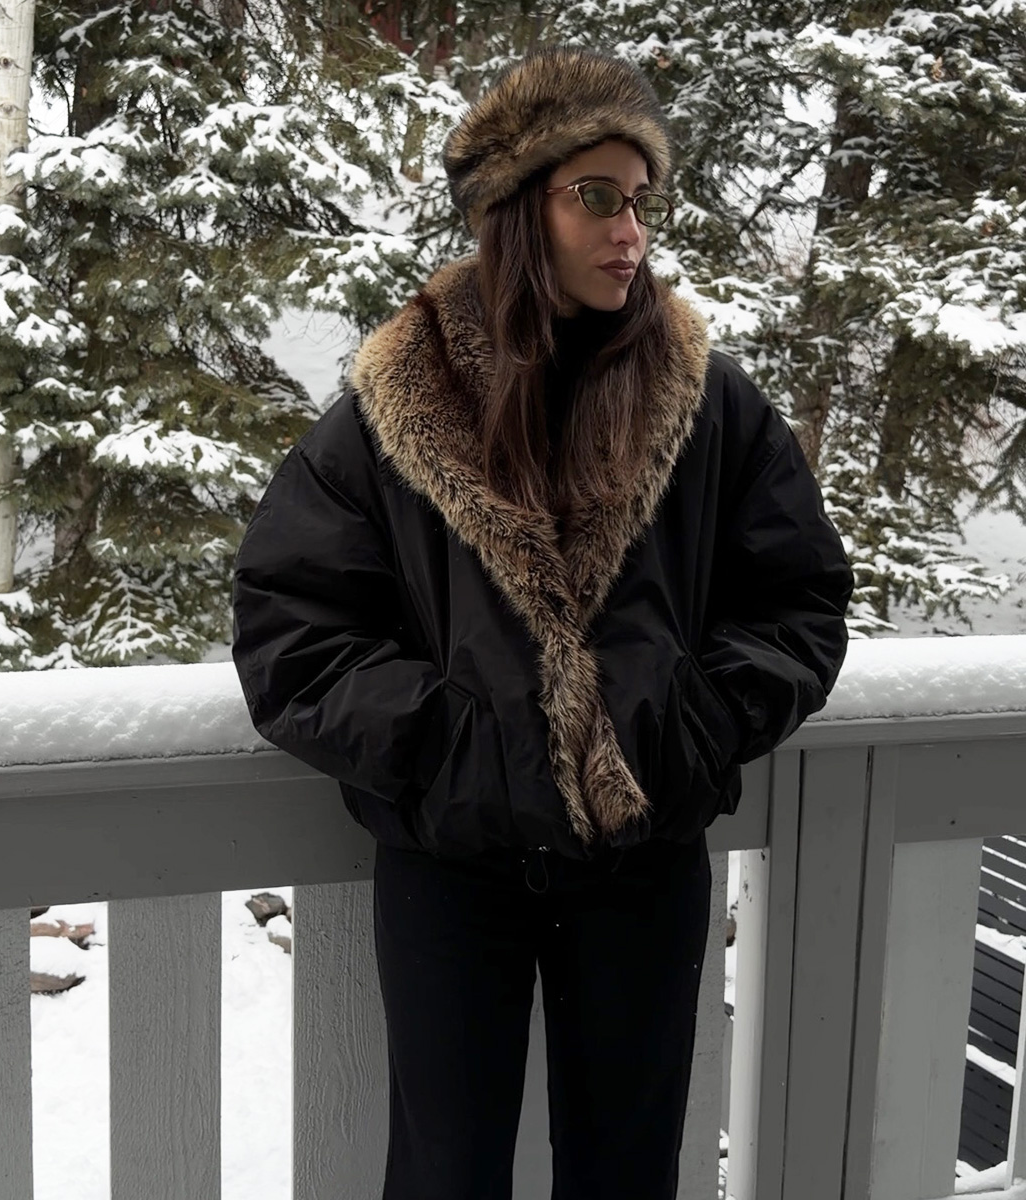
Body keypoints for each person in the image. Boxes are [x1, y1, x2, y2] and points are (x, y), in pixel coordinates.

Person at [231, 44, 854, 1200]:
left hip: (641, 859)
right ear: (518, 208)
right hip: (453, 865)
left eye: (642, 200)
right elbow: (293, 629)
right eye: (598, 196)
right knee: (445, 1174)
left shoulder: (707, 401)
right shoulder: (396, 403)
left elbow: (799, 596)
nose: (632, 233)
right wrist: (457, 753)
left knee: (628, 1174)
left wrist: (681, 731)